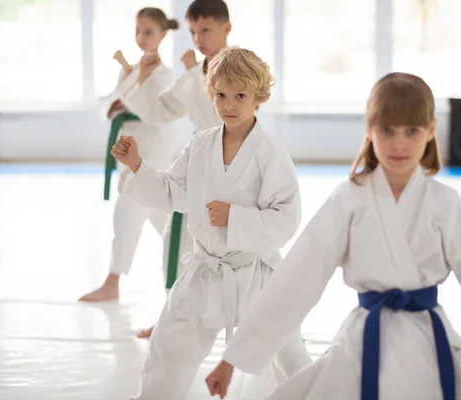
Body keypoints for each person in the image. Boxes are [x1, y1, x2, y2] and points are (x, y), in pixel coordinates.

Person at [205, 72, 461, 400]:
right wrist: (233, 358)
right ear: (369, 131)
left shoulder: (443, 204)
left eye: (412, 130)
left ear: (431, 130)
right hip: (363, 344)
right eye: (386, 130)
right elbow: (296, 281)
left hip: (430, 342)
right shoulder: (349, 200)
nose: (399, 143)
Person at [111, 47, 311, 400]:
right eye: (220, 95)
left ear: (258, 97)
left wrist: (235, 217)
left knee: (289, 353)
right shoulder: (200, 145)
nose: (229, 104)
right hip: (204, 270)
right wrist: (138, 165)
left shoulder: (271, 152)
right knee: (169, 349)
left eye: (240, 95)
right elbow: (172, 191)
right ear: (210, 92)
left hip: (256, 273)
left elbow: (287, 217)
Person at [116, 0, 234, 338]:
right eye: (194, 32)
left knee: (253, 247)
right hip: (199, 165)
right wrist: (142, 77)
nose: (198, 38)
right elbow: (158, 111)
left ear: (227, 28)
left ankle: (277, 323)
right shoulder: (193, 75)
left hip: (238, 165)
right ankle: (174, 315)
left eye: (206, 30)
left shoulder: (242, 68)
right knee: (177, 242)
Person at [79, 8, 180, 313]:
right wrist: (128, 82)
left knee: (129, 207)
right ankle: (183, 273)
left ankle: (112, 281)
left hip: (154, 144)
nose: (141, 37)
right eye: (138, 30)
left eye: (148, 31)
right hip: (130, 143)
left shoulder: (164, 72)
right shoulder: (132, 70)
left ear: (163, 34)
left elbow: (136, 103)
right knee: (161, 215)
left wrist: (129, 86)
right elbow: (109, 104)